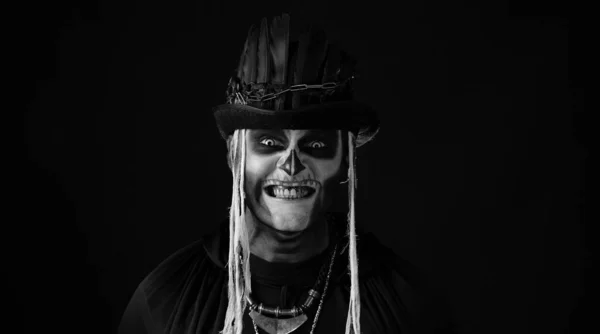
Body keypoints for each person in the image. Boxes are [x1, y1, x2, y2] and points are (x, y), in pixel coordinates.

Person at [119, 13, 443, 334]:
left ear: (347, 159)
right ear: (235, 156)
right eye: (269, 142)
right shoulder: (164, 301)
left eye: (315, 144)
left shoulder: (406, 304)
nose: (291, 165)